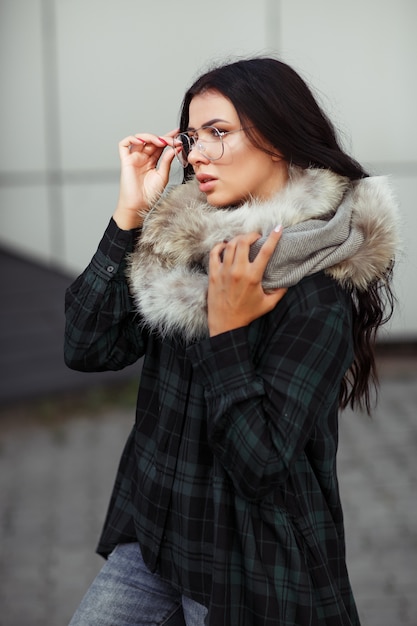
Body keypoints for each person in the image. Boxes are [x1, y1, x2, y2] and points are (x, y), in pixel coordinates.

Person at [64, 57, 399, 626]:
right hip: (153, 541)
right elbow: (87, 347)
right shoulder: (185, 244)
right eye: (193, 137)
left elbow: (261, 465)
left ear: (278, 139)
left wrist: (227, 332)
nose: (196, 155)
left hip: (249, 568)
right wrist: (130, 214)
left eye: (219, 134)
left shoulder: (316, 291)